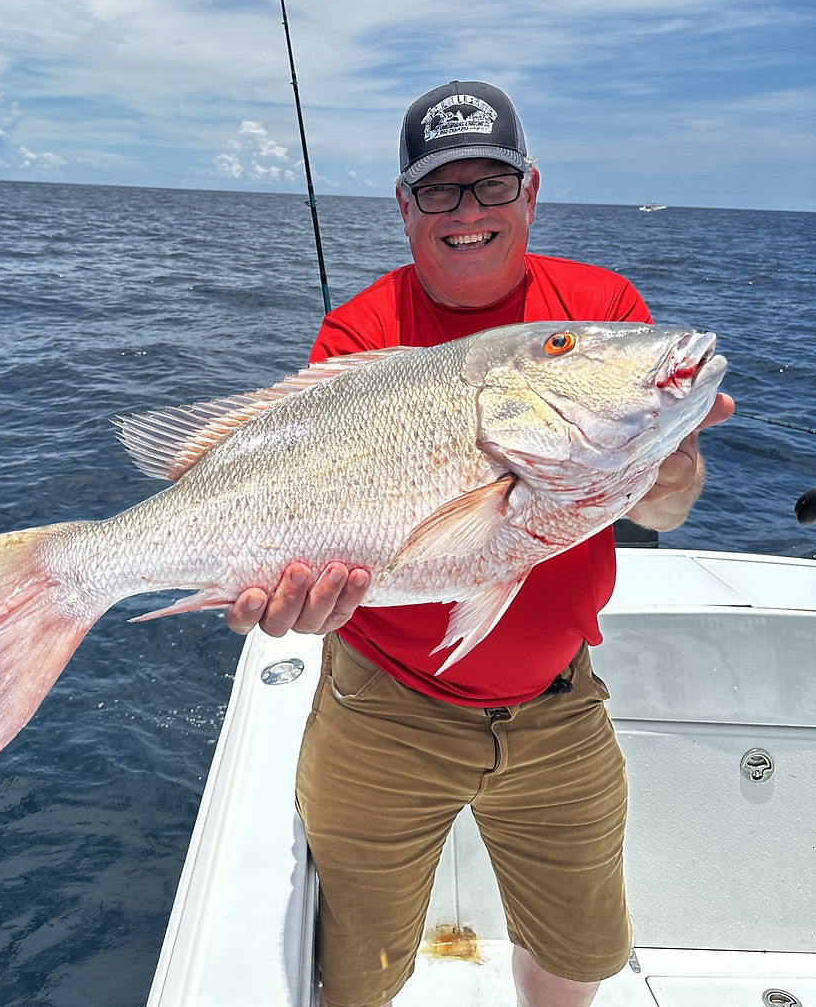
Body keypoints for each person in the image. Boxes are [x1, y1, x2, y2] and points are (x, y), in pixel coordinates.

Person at [225, 81, 733, 1007]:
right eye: (440, 190)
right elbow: (325, 523)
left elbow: (664, 515)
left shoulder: (604, 308)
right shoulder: (358, 334)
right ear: (405, 205)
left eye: (490, 184)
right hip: (383, 714)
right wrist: (298, 605)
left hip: (559, 709)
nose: (469, 212)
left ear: (530, 192)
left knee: (581, 955)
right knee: (357, 972)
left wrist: (666, 469)